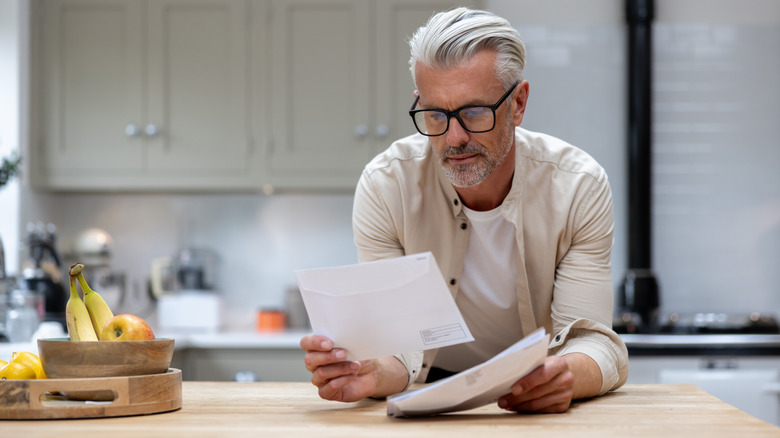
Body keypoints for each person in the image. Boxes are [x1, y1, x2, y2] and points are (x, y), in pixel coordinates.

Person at [300, 7, 628, 413]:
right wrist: (369, 372)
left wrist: (565, 375)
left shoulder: (578, 186)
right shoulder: (387, 185)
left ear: (519, 103)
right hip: (425, 392)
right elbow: (395, 348)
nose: (454, 137)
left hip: (533, 395)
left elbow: (595, 342)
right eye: (436, 114)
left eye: (474, 112)